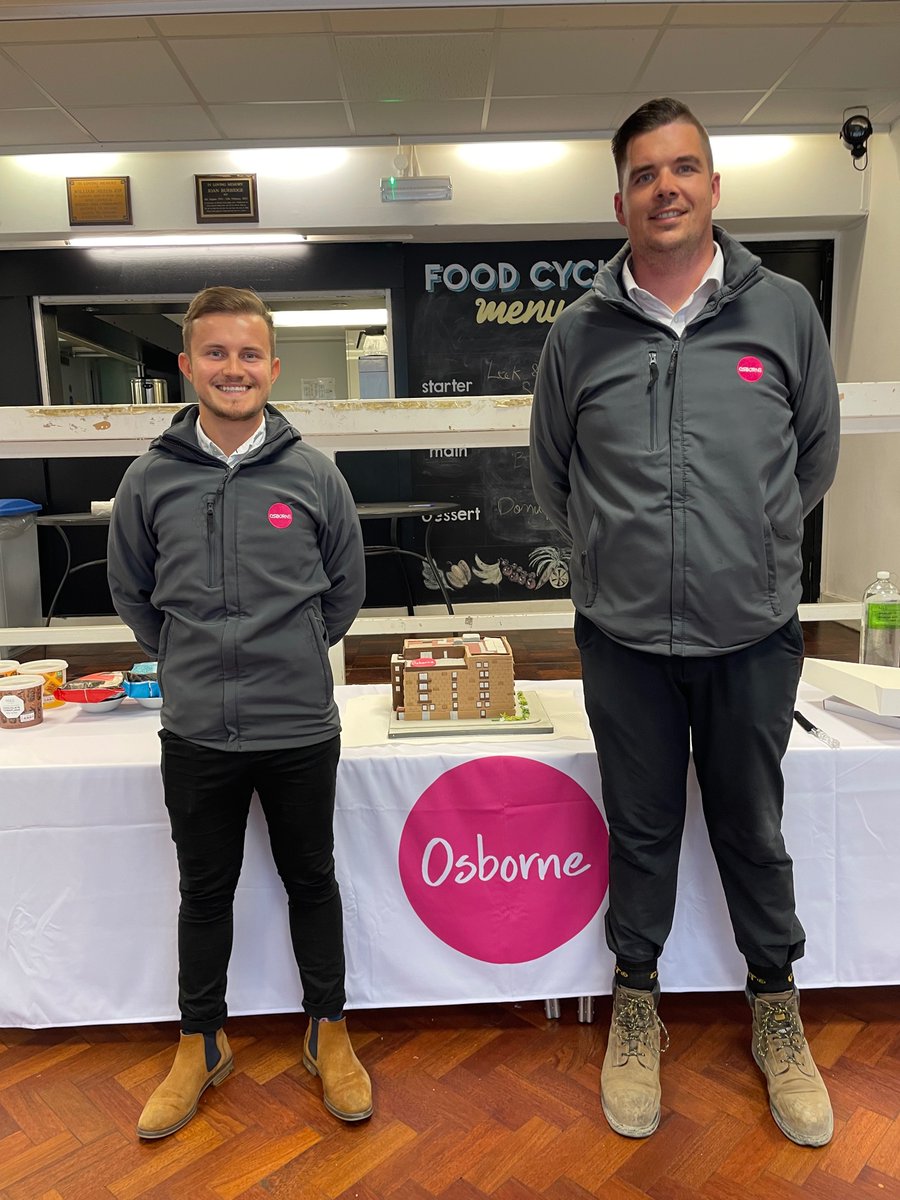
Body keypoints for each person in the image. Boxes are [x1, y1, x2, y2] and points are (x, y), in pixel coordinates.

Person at [530, 98, 840, 1147]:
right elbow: (553, 477)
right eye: (645, 174)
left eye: (684, 169)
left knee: (752, 829)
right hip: (622, 640)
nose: (665, 188)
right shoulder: (578, 333)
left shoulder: (784, 312)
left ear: (715, 188)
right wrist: (625, 560)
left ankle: (776, 1010)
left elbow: (815, 459)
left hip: (752, 633)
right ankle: (635, 1005)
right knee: (644, 828)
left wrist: (743, 551)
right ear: (619, 199)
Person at [108, 286, 371, 1139]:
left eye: (248, 354)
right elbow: (135, 594)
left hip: (299, 727)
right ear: (186, 366)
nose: (233, 369)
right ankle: (201, 1040)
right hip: (195, 732)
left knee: (312, 880)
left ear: (273, 367)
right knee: (203, 891)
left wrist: (290, 650)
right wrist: (192, 659)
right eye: (215, 353)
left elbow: (344, 591)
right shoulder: (149, 478)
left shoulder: (314, 474)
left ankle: (328, 1030)